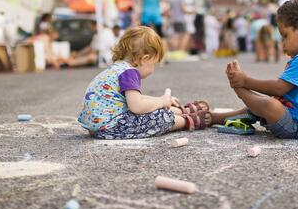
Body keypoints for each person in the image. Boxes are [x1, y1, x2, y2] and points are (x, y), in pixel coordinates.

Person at [210, 0, 298, 139]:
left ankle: (239, 90)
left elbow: (279, 88)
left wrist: (244, 83)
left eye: (285, 36)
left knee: (269, 105)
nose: (283, 43)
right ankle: (214, 117)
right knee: (257, 107)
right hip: (292, 114)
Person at [77, 26, 212, 139]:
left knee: (151, 107)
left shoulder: (117, 68)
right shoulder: (130, 72)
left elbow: (137, 100)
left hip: (98, 127)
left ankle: (182, 111)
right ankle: (186, 120)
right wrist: (162, 102)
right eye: (154, 63)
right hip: (111, 127)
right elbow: (137, 106)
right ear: (144, 59)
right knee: (158, 117)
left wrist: (162, 100)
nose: (154, 68)